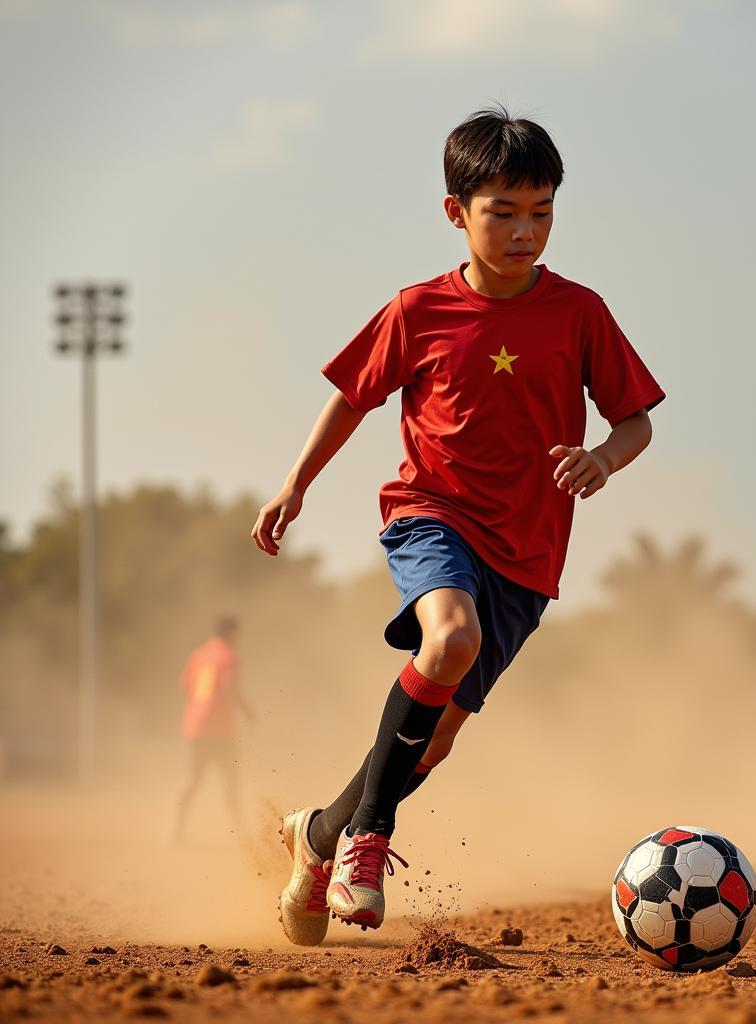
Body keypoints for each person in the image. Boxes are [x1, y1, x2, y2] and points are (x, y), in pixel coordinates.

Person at [252, 103, 666, 946]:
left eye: (542, 211)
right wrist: (294, 485)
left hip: (529, 554)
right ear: (457, 212)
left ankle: (320, 835)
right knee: (448, 640)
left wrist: (605, 458)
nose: (525, 231)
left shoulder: (580, 312)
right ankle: (370, 842)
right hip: (431, 515)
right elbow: (351, 398)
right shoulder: (416, 310)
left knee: (431, 746)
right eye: (503, 212)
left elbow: (636, 421)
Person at [172, 614, 254, 841]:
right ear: (231, 633)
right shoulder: (228, 656)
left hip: (195, 727)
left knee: (191, 778)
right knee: (230, 780)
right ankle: (240, 832)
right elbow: (229, 687)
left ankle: (175, 829)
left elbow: (185, 687)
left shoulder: (198, 655)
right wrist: (248, 713)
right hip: (220, 730)